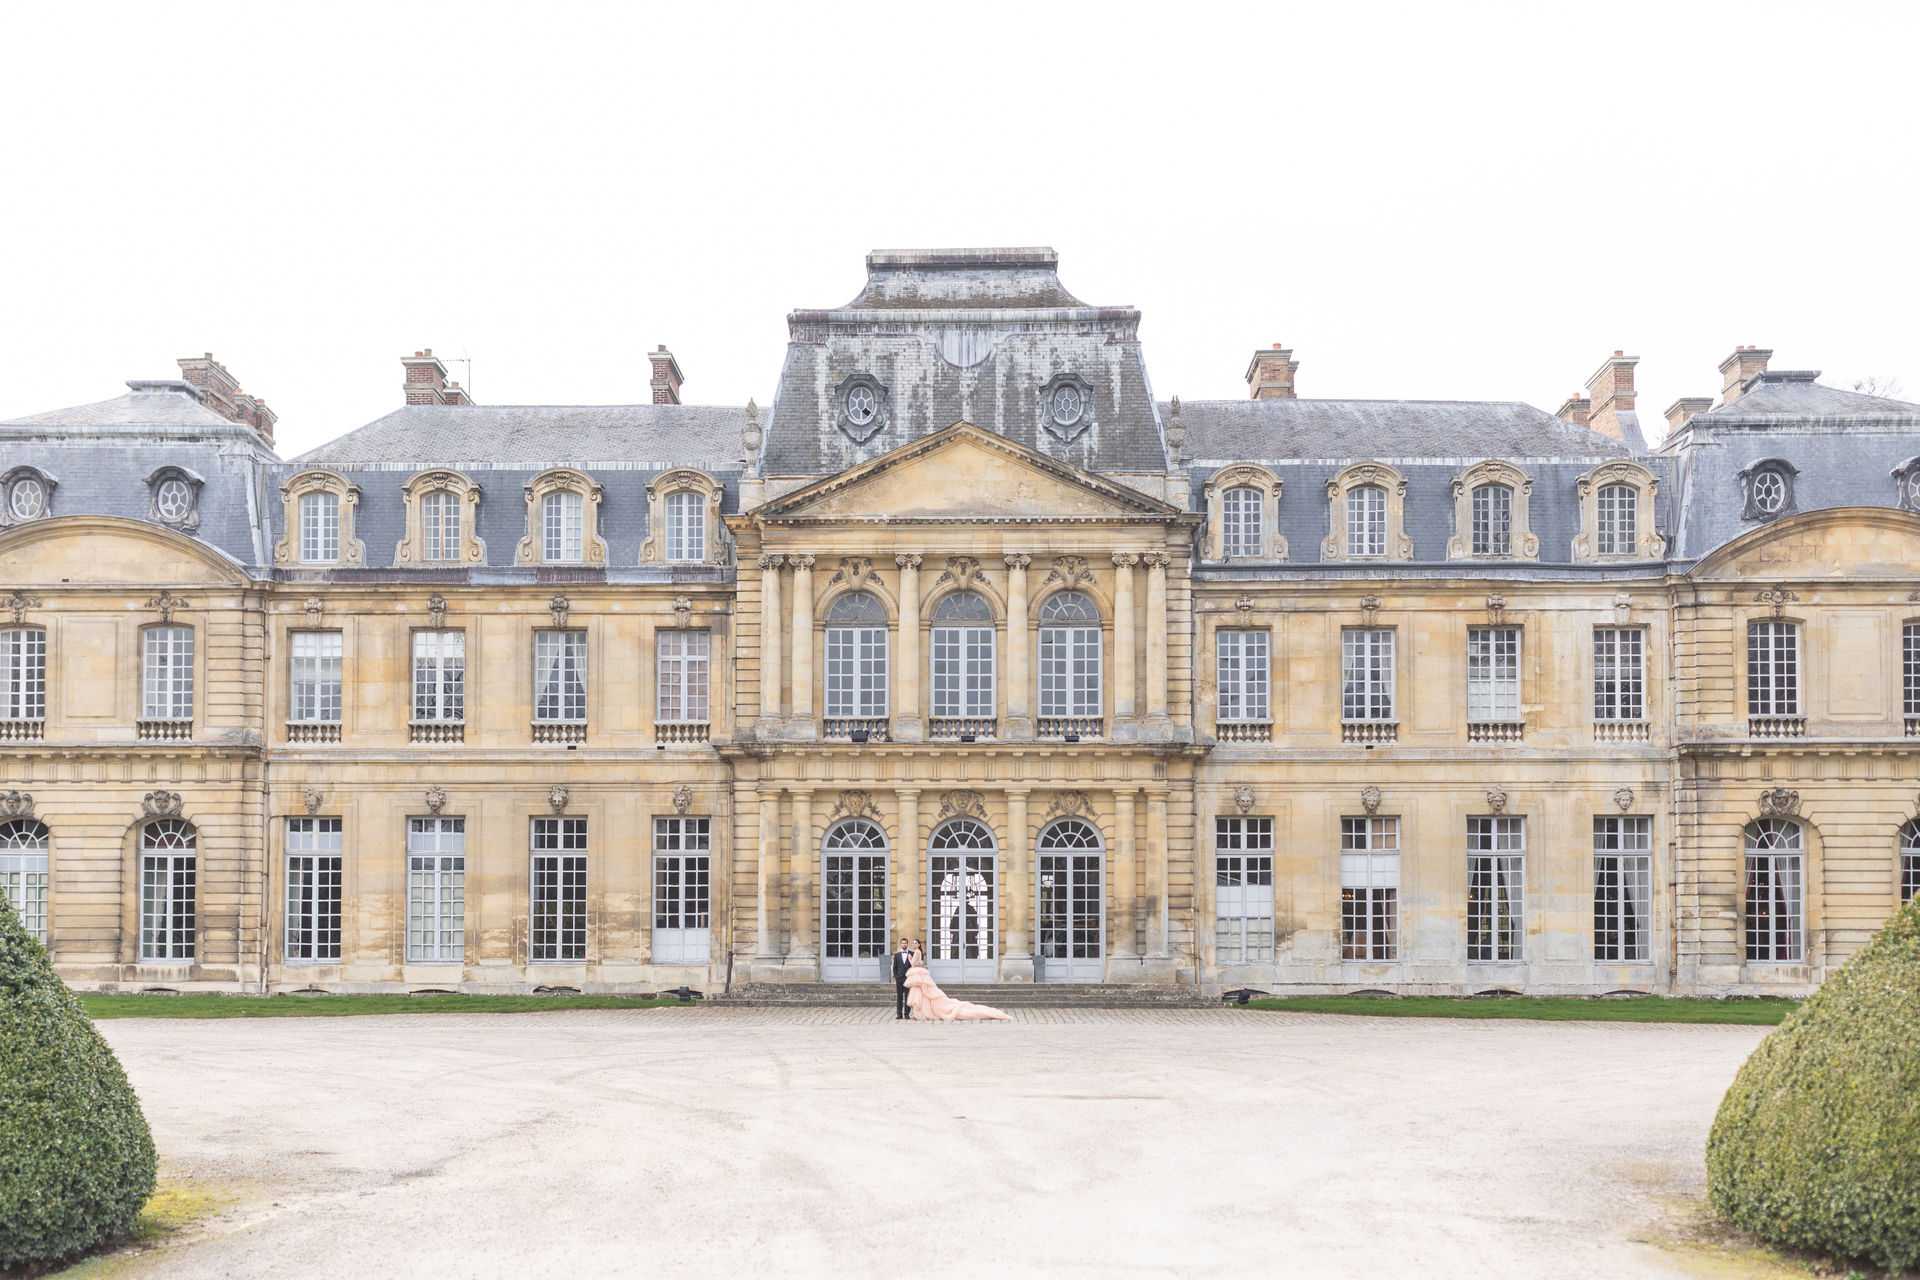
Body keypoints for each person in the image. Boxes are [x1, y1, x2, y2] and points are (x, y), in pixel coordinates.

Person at [902, 938, 1010, 1022]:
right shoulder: (919, 951)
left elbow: (913, 964)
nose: (914, 944)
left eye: (916, 943)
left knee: (921, 994)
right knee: (922, 994)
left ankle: (921, 1013)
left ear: (919, 944)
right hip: (919, 973)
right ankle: (921, 1013)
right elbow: (920, 962)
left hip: (917, 973)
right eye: (914, 943)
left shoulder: (916, 952)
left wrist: (910, 959)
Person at [891, 937, 914, 1020]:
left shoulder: (912, 953)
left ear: (907, 944)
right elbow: (894, 967)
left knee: (908, 997)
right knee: (899, 997)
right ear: (900, 944)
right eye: (902, 943)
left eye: (905, 943)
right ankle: (899, 1014)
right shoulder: (897, 955)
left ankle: (907, 1014)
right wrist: (896, 977)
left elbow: (913, 966)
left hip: (908, 979)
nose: (904, 944)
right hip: (899, 979)